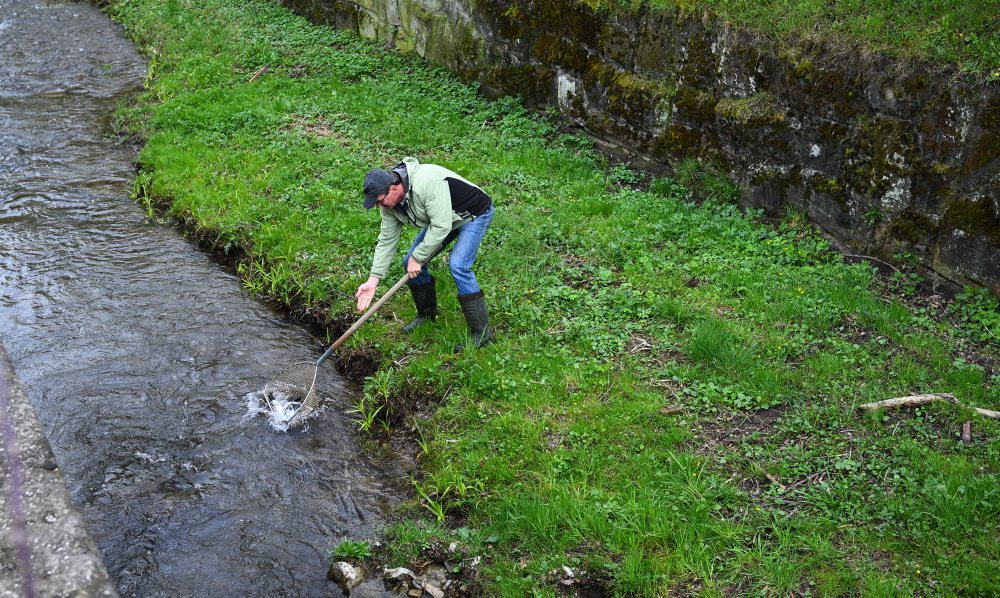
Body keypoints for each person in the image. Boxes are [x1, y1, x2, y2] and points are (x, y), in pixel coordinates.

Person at [355, 157, 495, 349]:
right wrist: (373, 279)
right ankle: (428, 315)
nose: (379, 207)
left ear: (393, 189)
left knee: (458, 265)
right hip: (444, 218)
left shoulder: (426, 182)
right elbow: (387, 240)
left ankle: (482, 334)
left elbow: (440, 226)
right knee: (408, 263)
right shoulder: (389, 206)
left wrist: (418, 258)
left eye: (379, 202)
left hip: (473, 214)